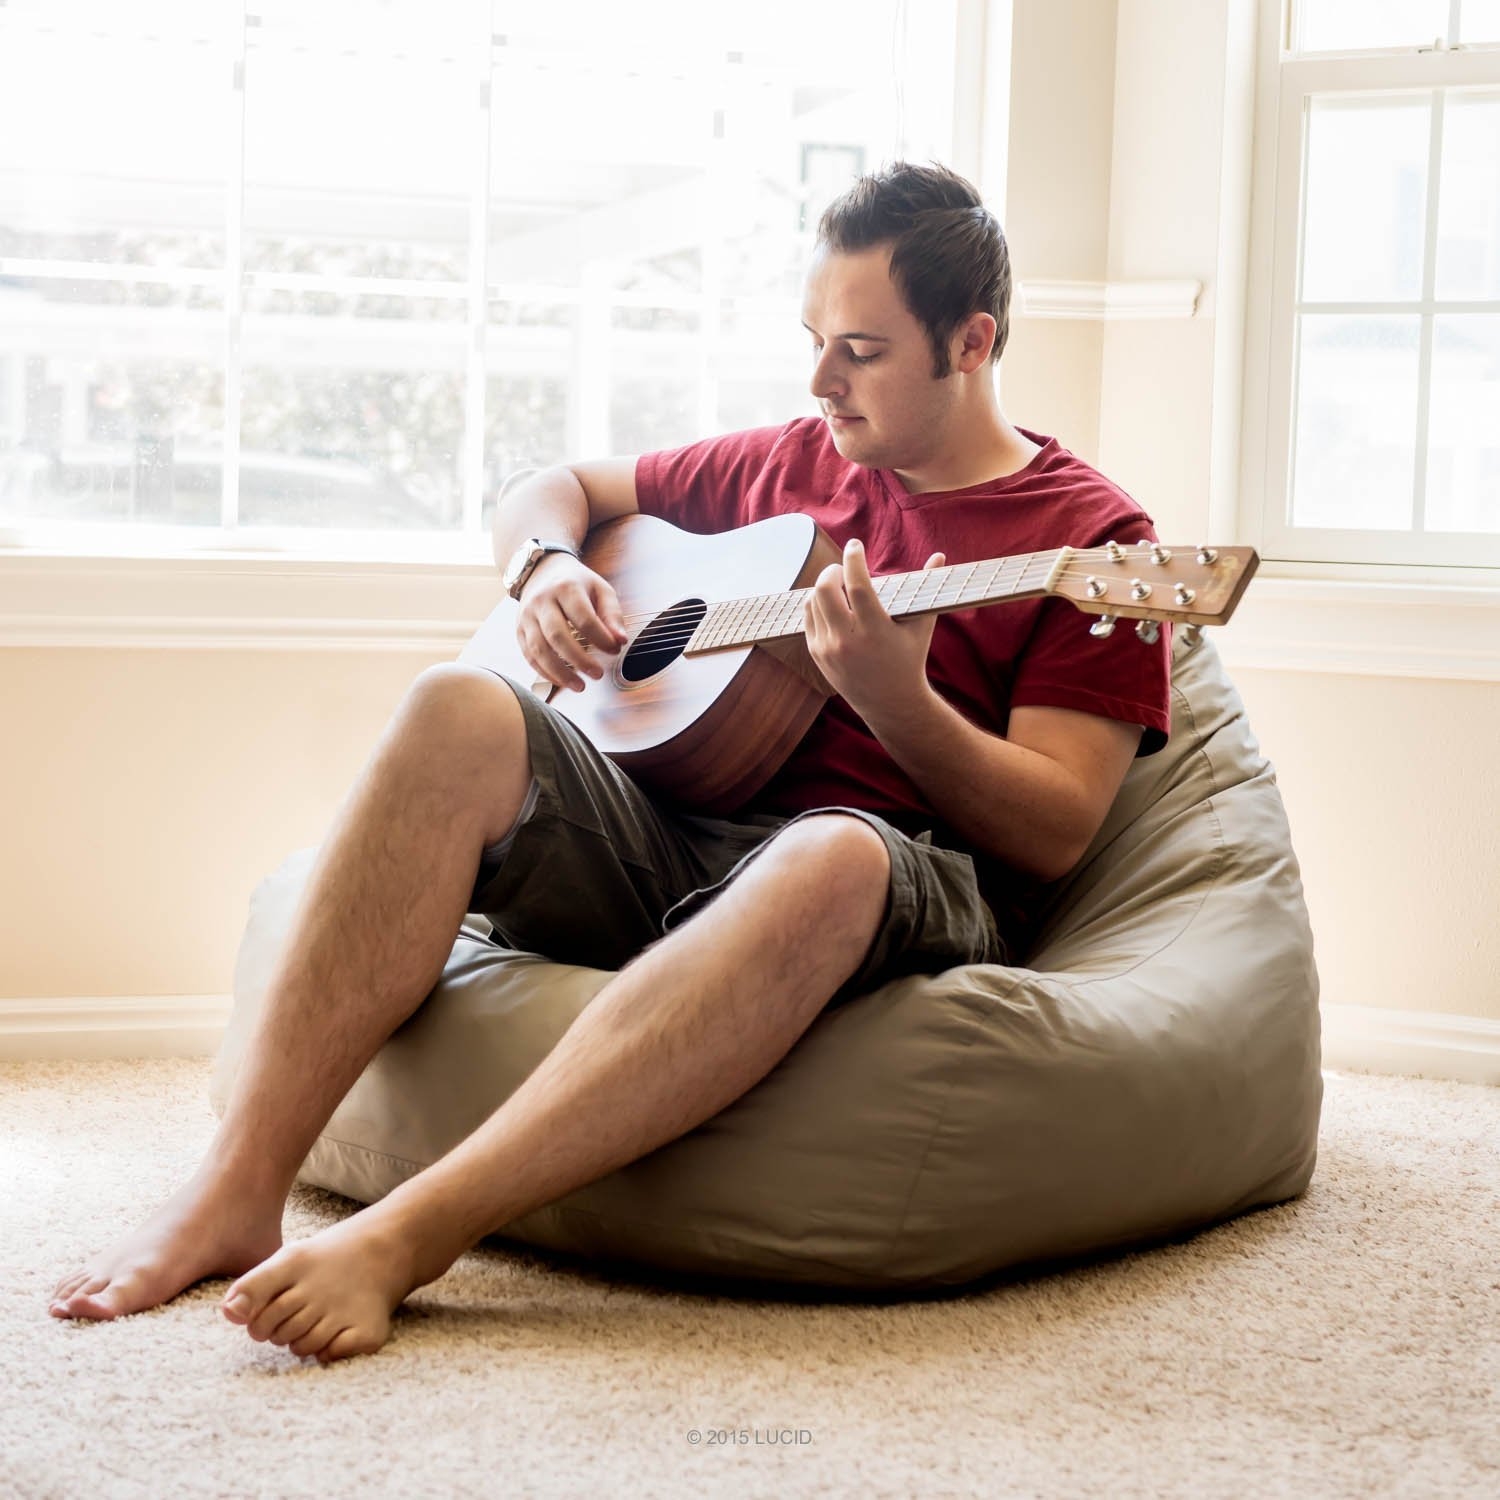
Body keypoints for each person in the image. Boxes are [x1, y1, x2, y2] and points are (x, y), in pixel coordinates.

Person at [48, 162, 1170, 1362]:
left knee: (830, 854)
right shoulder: (785, 461)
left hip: (883, 874)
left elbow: (1056, 828)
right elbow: (554, 487)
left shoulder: (1095, 538)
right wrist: (543, 568)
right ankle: (236, 1187)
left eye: (860, 351)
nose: (819, 382)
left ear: (973, 341)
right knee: (451, 707)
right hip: (674, 830)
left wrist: (901, 708)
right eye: (811, 341)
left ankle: (412, 1234)